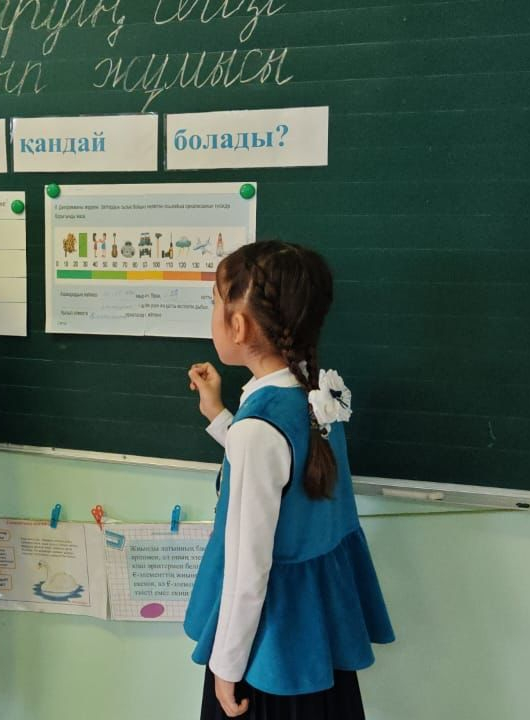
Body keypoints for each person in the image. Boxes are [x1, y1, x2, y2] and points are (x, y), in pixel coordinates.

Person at [183, 241, 394, 720]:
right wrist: (219, 416)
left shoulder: (263, 427)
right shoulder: (317, 394)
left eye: (214, 303)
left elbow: (247, 569)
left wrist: (226, 666)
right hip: (315, 635)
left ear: (239, 326)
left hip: (268, 652)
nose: (212, 315)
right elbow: (286, 472)